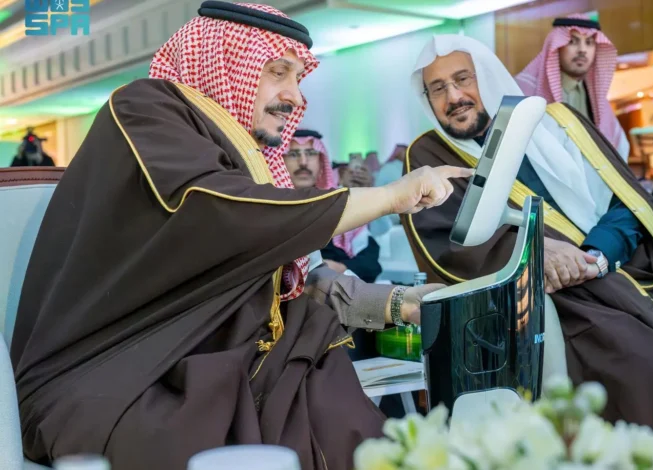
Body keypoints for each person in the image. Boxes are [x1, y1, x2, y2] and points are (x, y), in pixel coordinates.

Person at [10, 4, 470, 470]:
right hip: (127, 368)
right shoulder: (145, 108)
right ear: (221, 62)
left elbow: (299, 276)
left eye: (298, 78)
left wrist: (400, 302)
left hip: (231, 357)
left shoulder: (250, 160)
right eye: (277, 72)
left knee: (352, 429)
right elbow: (222, 209)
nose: (295, 96)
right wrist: (390, 196)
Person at [404, 34, 653, 440]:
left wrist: (598, 253)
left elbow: (628, 202)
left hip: (627, 278)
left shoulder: (560, 122)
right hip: (557, 301)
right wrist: (535, 252)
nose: (454, 97)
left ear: (488, 76)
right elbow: (449, 243)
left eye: (463, 79)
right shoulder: (428, 155)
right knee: (652, 367)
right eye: (438, 88)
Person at [515, 14, 630, 160]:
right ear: (557, 47)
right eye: (572, 41)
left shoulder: (598, 103)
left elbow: (618, 151)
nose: (582, 50)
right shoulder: (524, 90)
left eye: (589, 42)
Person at [284, 129, 382, 282]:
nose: (303, 162)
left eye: (311, 153)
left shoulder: (336, 202)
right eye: (293, 154)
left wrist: (341, 267)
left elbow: (371, 263)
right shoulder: (274, 206)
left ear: (321, 161)